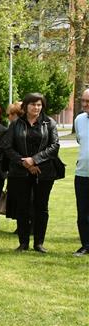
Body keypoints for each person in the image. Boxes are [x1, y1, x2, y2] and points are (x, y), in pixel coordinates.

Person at [2, 92, 60, 253]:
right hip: (20, 173)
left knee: (41, 207)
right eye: (33, 104)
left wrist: (34, 160)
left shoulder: (49, 123)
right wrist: (24, 162)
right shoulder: (16, 124)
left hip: (44, 172)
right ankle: (23, 242)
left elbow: (54, 146)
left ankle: (39, 243)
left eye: (39, 104)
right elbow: (7, 146)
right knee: (22, 207)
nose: (36, 107)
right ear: (26, 106)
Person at [74, 88, 89, 257]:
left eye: (88, 102)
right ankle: (85, 244)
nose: (84, 104)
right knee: (83, 212)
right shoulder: (79, 120)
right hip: (83, 174)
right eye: (83, 100)